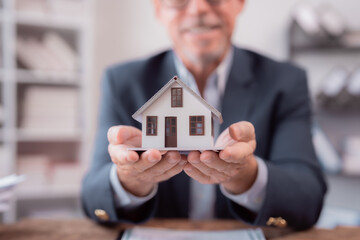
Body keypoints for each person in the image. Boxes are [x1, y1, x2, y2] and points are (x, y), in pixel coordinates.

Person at [82, 0, 327, 230]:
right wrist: (129, 181)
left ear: (240, 2)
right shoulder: (122, 81)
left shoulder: (285, 81)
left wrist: (249, 178)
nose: (198, 8)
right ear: (158, 8)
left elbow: (308, 197)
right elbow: (91, 197)